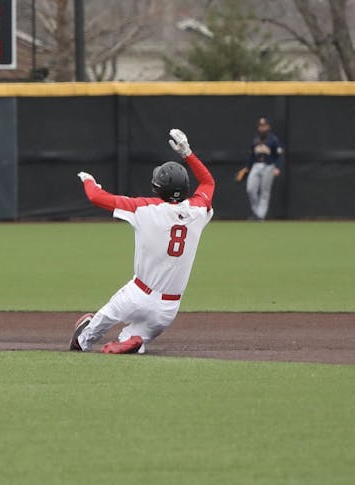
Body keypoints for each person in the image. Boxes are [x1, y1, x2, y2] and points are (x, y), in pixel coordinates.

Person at [69, 129, 215, 354]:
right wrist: (188, 153)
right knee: (132, 336)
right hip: (169, 307)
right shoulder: (198, 211)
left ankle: (86, 337)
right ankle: (134, 340)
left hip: (137, 294)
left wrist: (89, 181)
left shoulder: (144, 208)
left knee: (85, 338)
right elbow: (208, 182)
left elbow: (96, 197)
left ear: (157, 188)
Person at [236, 117, 283, 220]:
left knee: (264, 191)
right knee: (250, 189)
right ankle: (256, 212)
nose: (262, 128)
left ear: (268, 127)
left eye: (264, 125)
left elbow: (279, 155)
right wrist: (247, 168)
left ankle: (260, 215)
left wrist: (278, 167)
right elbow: (252, 155)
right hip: (256, 166)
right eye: (261, 126)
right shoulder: (256, 140)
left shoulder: (273, 140)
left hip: (269, 166)